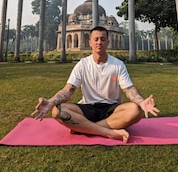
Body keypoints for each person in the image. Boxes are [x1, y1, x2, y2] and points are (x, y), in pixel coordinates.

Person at [31, 26, 160, 143]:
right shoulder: (82, 65)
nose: (99, 42)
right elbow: (68, 90)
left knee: (136, 110)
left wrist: (141, 102)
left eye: (103, 39)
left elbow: (128, 89)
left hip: (111, 109)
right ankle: (108, 132)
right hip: (88, 107)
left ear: (107, 42)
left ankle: (83, 127)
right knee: (57, 111)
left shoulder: (118, 65)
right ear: (90, 42)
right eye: (96, 39)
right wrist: (51, 102)